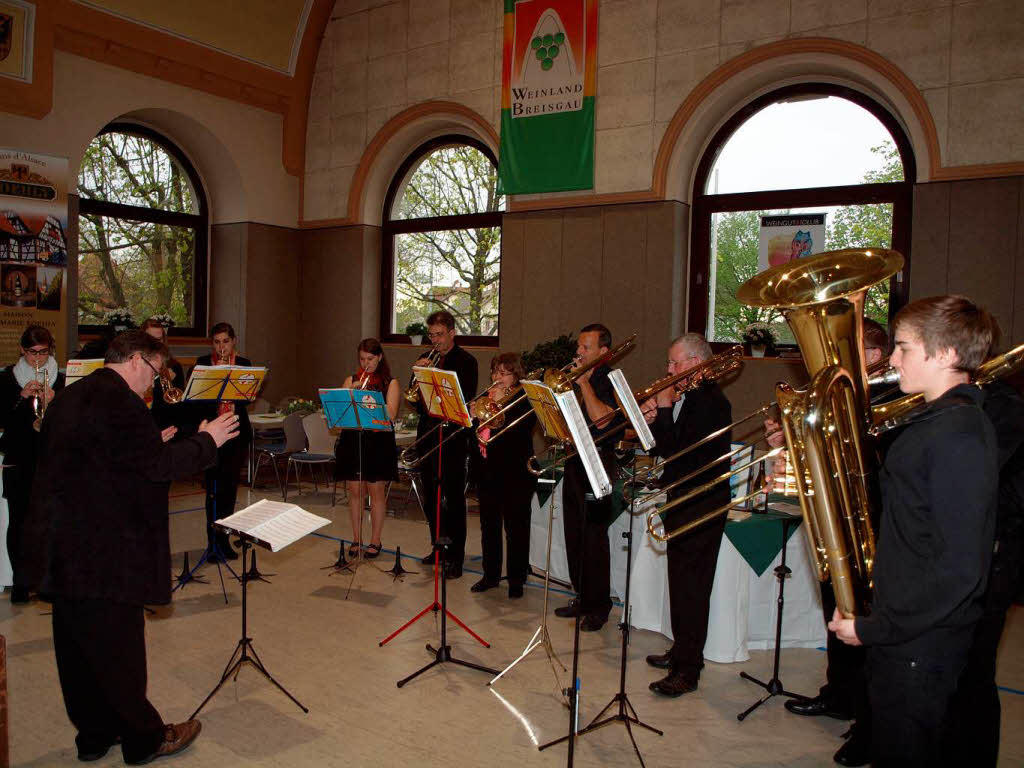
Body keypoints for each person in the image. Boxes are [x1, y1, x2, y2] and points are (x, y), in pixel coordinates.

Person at [22, 330, 239, 764]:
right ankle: (144, 739)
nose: (154, 384)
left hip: (63, 550)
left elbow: (90, 461)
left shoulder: (72, 394)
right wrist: (209, 439)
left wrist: (148, 445)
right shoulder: (121, 402)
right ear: (138, 360)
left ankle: (95, 736)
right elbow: (158, 469)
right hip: (105, 553)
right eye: (156, 373)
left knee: (77, 651)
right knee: (119, 652)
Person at [828, 295, 999, 768]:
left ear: (944, 355)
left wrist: (876, 627)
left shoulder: (958, 435)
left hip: (919, 642)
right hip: (905, 630)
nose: (894, 358)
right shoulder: (935, 421)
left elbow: (960, 570)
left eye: (903, 347)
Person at [769, 317, 890, 766]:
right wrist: (793, 442)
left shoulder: (891, 400)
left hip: (871, 532)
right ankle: (838, 695)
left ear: (873, 357)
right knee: (835, 616)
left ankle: (867, 722)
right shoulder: (844, 399)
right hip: (835, 524)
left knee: (864, 627)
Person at [640, 333, 732, 696]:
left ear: (696, 364)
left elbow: (676, 452)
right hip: (684, 499)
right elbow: (666, 446)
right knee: (680, 585)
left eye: (675, 363)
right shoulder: (691, 397)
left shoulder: (710, 401)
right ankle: (682, 650)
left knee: (692, 589)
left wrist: (662, 408)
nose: (669, 370)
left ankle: (688, 670)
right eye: (669, 363)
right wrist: (656, 414)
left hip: (701, 503)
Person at [943, 375, 1024, 765]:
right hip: (956, 551)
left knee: (973, 671)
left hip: (991, 553)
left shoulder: (1005, 406)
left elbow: (986, 484)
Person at [553, 323, 621, 632]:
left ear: (603, 352)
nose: (578, 352)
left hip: (599, 461)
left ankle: (600, 605)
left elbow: (603, 421)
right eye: (579, 346)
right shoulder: (580, 379)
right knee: (574, 532)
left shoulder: (607, 379)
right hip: (575, 459)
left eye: (585, 348)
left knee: (594, 537)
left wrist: (584, 385)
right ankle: (582, 595)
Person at [0, 325, 65, 603]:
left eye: (43, 352)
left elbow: (72, 421)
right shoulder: (8, 378)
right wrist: (21, 397)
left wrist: (56, 400)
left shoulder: (60, 379)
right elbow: (2, 417)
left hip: (51, 459)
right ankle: (21, 582)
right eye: (32, 353)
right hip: (19, 458)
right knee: (19, 524)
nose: (38, 358)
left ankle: (47, 582)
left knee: (50, 522)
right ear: (22, 351)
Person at [412, 310, 478, 578]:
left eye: (439, 335)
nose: (435, 340)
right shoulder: (427, 359)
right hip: (428, 434)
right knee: (430, 497)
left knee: (452, 498)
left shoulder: (466, 361)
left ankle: (456, 556)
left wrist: (436, 375)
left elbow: (464, 398)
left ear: (452, 333)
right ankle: (437, 546)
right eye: (431, 335)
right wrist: (419, 376)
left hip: (452, 436)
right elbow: (416, 402)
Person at [470, 352, 537, 598]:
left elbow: (519, 434)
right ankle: (490, 575)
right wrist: (473, 415)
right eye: (495, 371)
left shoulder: (525, 398)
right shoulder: (485, 396)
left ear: (516, 375)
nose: (496, 377)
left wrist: (501, 409)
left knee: (516, 528)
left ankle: (516, 579)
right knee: (489, 526)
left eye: (503, 373)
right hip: (488, 471)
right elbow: (476, 436)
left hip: (516, 472)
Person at [191, 322, 254, 560]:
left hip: (236, 433)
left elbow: (247, 399)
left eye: (225, 341)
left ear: (233, 341)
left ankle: (224, 540)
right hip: (212, 433)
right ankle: (212, 542)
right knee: (213, 490)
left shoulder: (244, 364)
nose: (221, 347)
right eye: (216, 342)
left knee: (229, 490)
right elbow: (195, 398)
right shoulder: (202, 364)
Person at [335, 338, 399, 558]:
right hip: (354, 440)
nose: (365, 363)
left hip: (378, 442)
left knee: (376, 492)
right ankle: (356, 538)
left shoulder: (390, 383)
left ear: (379, 357)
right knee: (355, 492)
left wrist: (368, 398)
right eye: (362, 359)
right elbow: (340, 413)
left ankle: (375, 540)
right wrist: (351, 393)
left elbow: (390, 415)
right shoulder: (350, 379)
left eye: (370, 359)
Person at [141, 318, 187, 431]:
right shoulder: (137, 365)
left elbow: (179, 407)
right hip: (144, 421)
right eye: (151, 339)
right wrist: (157, 380)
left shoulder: (174, 366)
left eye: (159, 339)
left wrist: (173, 382)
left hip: (168, 423)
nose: (156, 344)